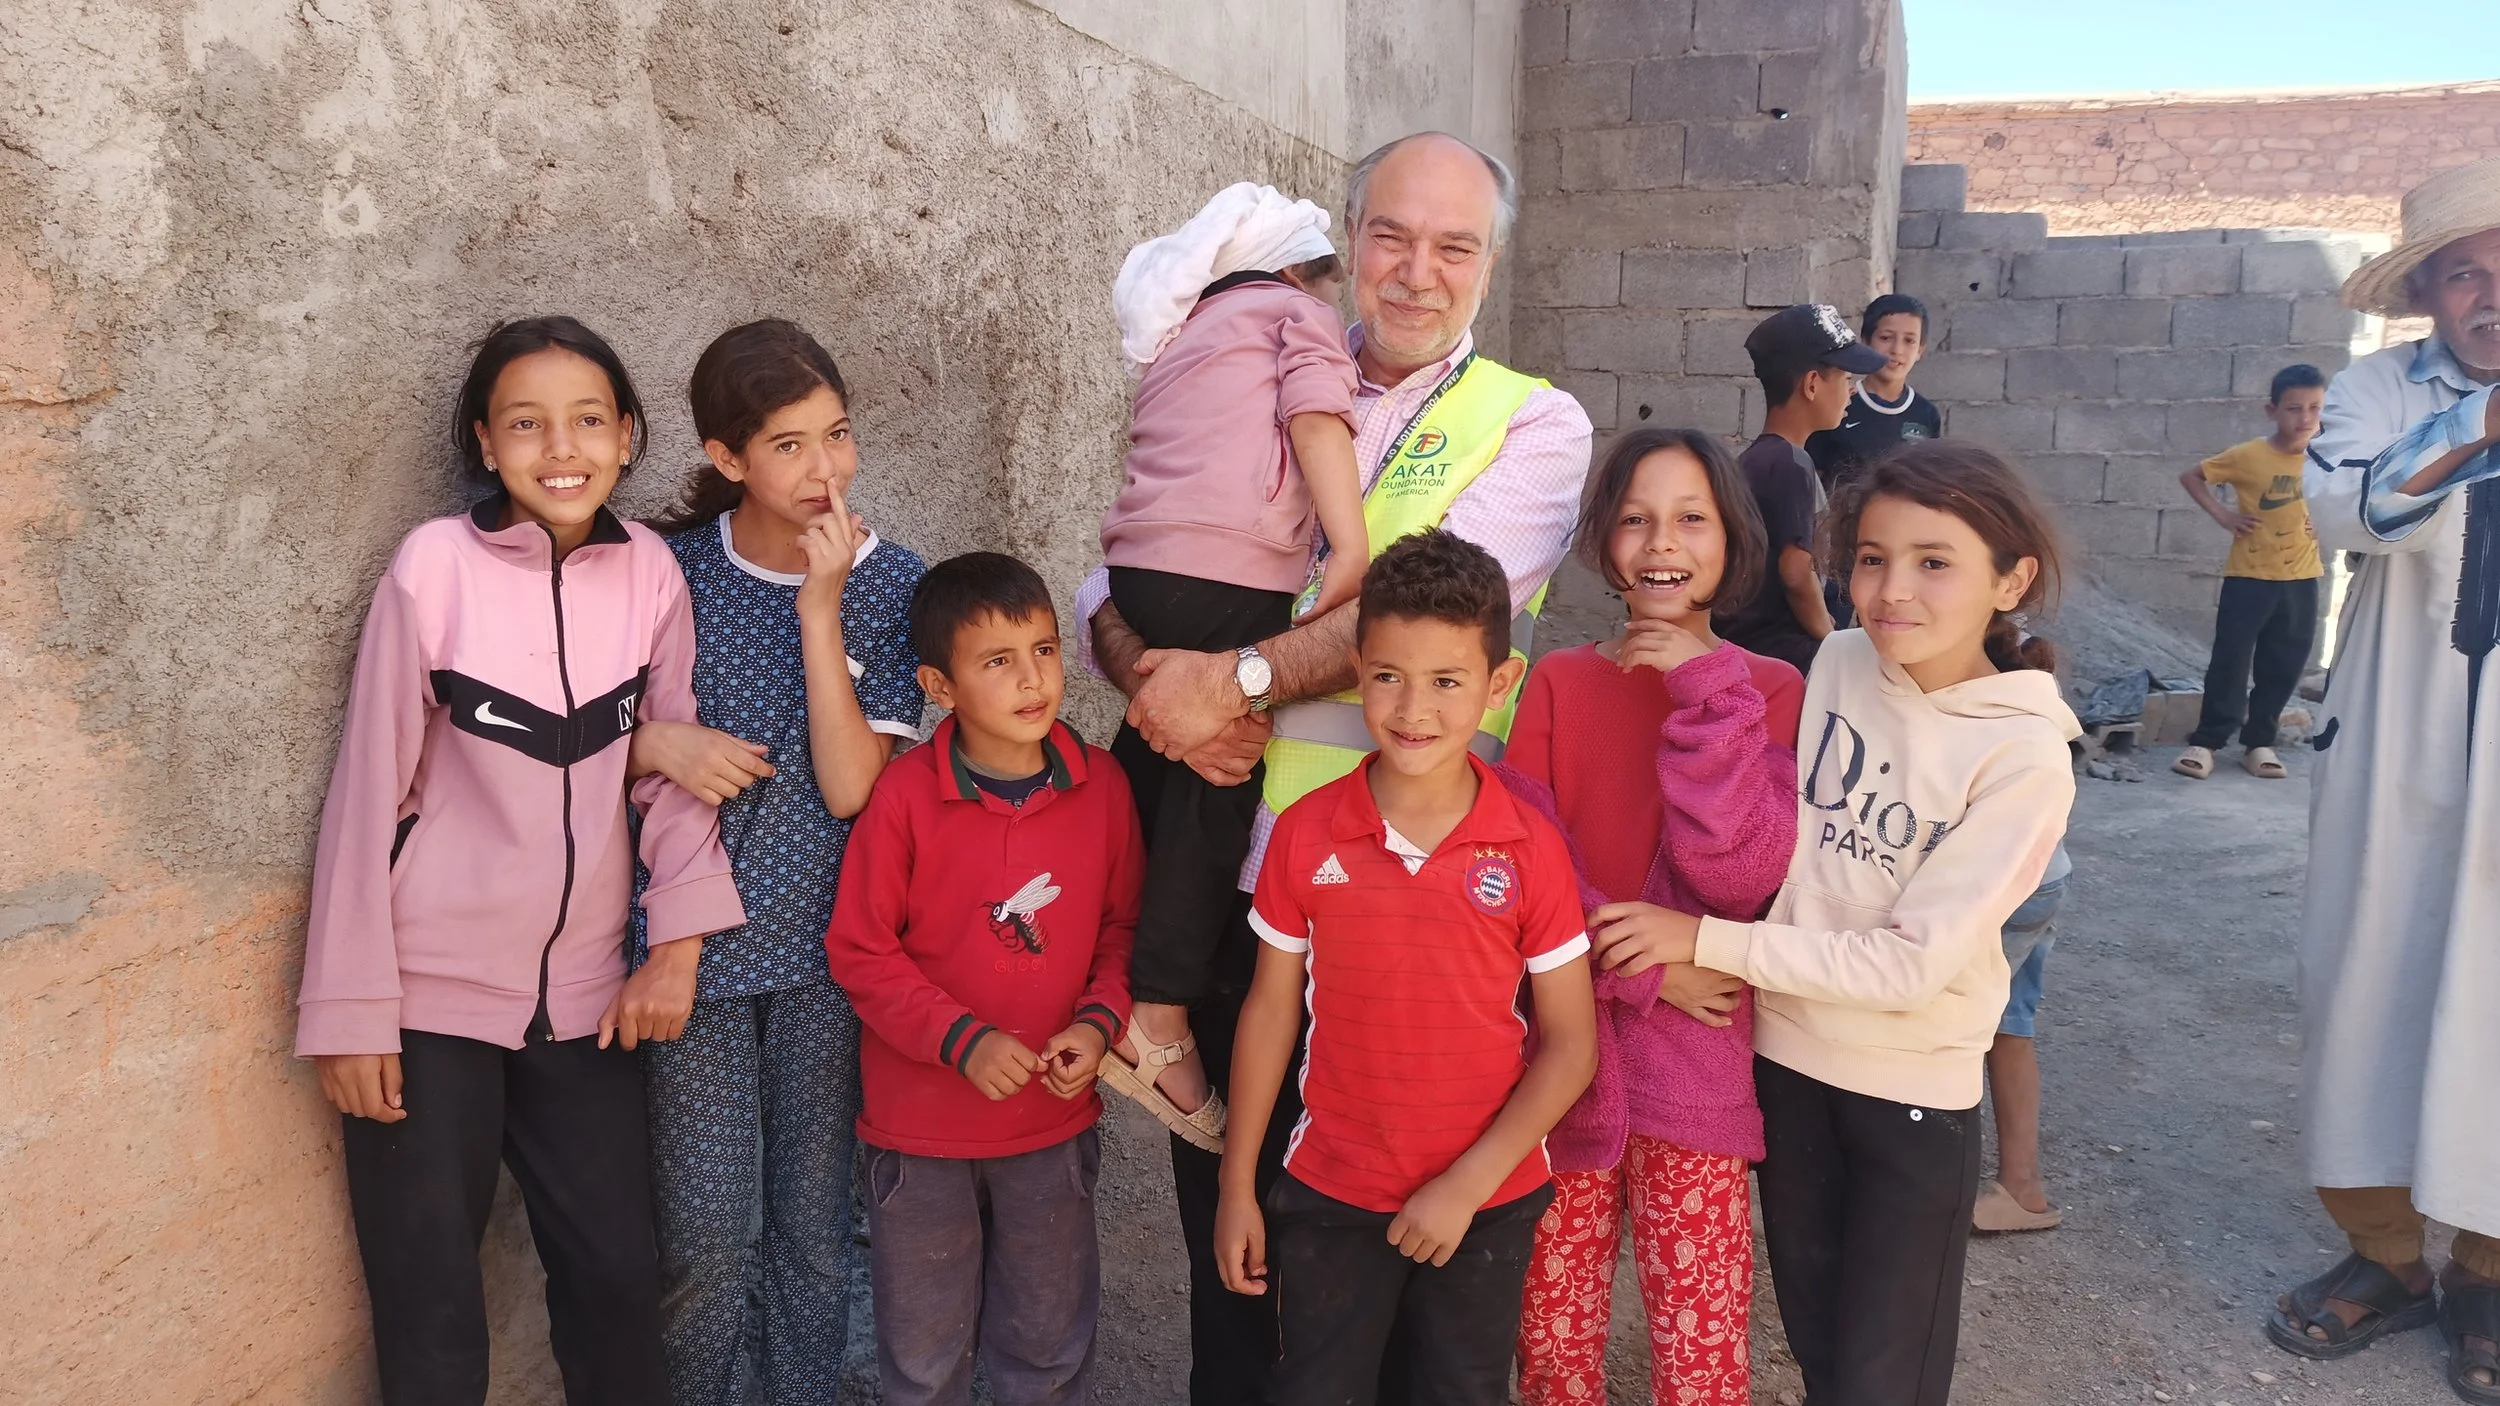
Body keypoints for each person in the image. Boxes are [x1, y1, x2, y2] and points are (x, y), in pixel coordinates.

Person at [1074, 130, 1594, 1404]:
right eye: (1390, 237)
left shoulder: (1530, 423)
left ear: (1491, 263)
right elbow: (1117, 565)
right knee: (1235, 1248)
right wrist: (1154, 674)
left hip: (1395, 912)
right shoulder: (1258, 342)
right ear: (1346, 240)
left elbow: (1411, 617)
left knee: (1396, 1285)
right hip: (1220, 885)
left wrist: (1233, 680)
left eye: (1454, 246)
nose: (1417, 273)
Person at [295, 316, 746, 1405]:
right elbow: (369, 791)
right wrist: (353, 1007)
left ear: (629, 434)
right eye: (527, 422)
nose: (563, 445)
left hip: (589, 1006)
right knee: (432, 1311)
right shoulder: (432, 567)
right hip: (428, 1007)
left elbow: (672, 771)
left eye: (590, 418)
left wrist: (676, 948)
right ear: (486, 445)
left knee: (615, 1282)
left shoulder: (648, 575)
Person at [1603, 441, 2081, 1406]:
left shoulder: (2025, 758)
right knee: (1821, 1347)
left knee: (1882, 1379)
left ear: (2012, 578)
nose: (1892, 590)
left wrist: (1697, 941)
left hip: (1906, 1093)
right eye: (1871, 557)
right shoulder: (1847, 661)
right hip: (1786, 1063)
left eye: (1934, 561)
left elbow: (1909, 966)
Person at [1212, 529, 1598, 1406]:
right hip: (1331, 1192)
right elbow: (1271, 1015)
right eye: (1388, 675)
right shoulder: (1307, 831)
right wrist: (1238, 1188)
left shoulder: (1531, 850)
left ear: (1499, 686)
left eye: (1447, 681)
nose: (1412, 707)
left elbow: (1571, 1048)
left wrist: (1465, 1188)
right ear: (1356, 669)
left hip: (1487, 1201)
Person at [617, 319, 925, 1404]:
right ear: (725, 457)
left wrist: (820, 607)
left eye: (835, 434)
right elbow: (604, 733)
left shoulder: (892, 582)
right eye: (787, 445)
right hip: (690, 958)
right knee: (703, 1234)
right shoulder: (667, 569)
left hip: (830, 958)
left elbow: (855, 788)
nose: (822, 468)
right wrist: (654, 742)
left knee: (810, 1233)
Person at [1504, 427, 1802, 1406]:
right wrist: (1646, 968)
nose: (1659, 539)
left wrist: (1701, 687)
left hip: (1699, 1072)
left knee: (1701, 1347)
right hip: (1561, 1062)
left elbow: (1741, 877)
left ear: (1731, 539)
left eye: (1688, 517)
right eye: (1634, 517)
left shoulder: (1766, 690)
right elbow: (1523, 871)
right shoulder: (1558, 681)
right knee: (1551, 1339)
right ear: (1602, 540)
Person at [2271, 155, 2500, 1404]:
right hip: (2395, 732)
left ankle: (2491, 1264)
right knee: (2369, 967)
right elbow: (2343, 510)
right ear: (2425, 293)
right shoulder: (2372, 389)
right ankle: (2388, 1253)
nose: (2488, 294)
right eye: (2462, 271)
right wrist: (2474, 428)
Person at [824, 552, 1143, 1406]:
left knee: (1046, 1356)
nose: (1031, 679)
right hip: (919, 1140)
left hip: (1051, 1130)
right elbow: (859, 951)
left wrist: (1097, 1024)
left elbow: (1121, 933)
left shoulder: (1103, 789)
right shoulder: (904, 799)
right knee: (925, 1365)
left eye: (1043, 650)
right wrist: (959, 1039)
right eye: (997, 662)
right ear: (939, 685)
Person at [1095, 181, 1367, 1149]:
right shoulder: (1297, 314)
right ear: (1300, 271)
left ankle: (1092, 965)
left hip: (1137, 574)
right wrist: (1351, 547)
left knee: (1159, 757)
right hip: (1229, 571)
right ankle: (1156, 1011)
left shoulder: (1184, 331)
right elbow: (1317, 423)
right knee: (1224, 763)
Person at [2172, 363, 2328, 782]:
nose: (2306, 418)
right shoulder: (2248, 456)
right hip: (2249, 577)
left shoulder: (2329, 456)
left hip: (2301, 579)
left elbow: (2348, 497)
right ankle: (2206, 742)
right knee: (2231, 660)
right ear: (2271, 410)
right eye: (2294, 408)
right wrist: (2223, 515)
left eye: (2315, 407)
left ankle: (2259, 743)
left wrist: (2330, 521)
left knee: (2283, 664)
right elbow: (2193, 476)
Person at [1716, 303, 1888, 676]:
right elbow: (1796, 571)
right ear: (1812, 384)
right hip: (1783, 655)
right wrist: (1830, 639)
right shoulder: (1790, 464)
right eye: (1845, 379)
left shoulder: (1759, 459)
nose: (1852, 392)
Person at [1971, 845, 2072, 1234]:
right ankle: (2022, 1187)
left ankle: (1917, 1186)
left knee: (1945, 1019)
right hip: (2039, 867)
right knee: (2007, 1021)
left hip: (1995, 875)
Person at [1805, 293, 1941, 497]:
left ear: (1920, 349)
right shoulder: (1839, 405)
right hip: (1841, 524)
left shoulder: (1926, 414)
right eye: (1886, 338)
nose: (1897, 350)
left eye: (1909, 341)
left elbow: (1929, 483)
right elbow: (1812, 477)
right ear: (1866, 341)